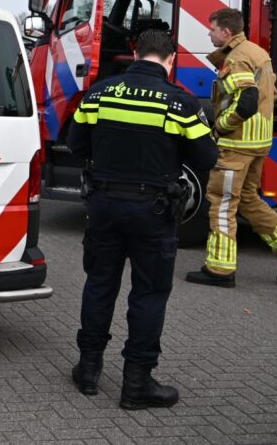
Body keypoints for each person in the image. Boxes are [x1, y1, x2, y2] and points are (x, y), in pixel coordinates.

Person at [68, 30, 218, 410]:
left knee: (99, 285)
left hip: (103, 205)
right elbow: (206, 158)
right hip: (153, 211)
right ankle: (136, 384)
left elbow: (75, 144)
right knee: (149, 294)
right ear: (170, 59)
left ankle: (88, 370)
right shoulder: (180, 103)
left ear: (135, 53)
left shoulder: (99, 93)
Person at [186, 8, 277, 287]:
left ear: (226, 32)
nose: (209, 34)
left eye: (212, 29)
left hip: (237, 144)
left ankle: (219, 270)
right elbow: (270, 95)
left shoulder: (236, 58)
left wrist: (221, 125)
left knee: (222, 202)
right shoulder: (257, 52)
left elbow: (247, 100)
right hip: (258, 143)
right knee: (248, 198)